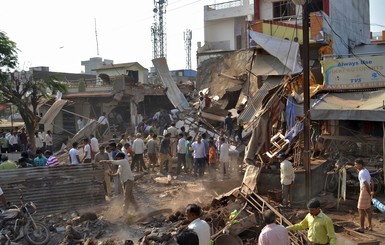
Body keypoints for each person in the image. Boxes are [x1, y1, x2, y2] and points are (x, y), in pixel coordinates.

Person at [354, 158, 374, 233]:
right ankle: (370, 226)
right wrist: (372, 191)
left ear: (360, 165)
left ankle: (361, 228)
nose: (355, 166)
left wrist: (369, 192)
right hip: (367, 191)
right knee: (367, 209)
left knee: (360, 209)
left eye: (356, 164)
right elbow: (371, 181)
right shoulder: (366, 170)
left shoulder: (361, 173)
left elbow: (365, 183)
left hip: (364, 190)